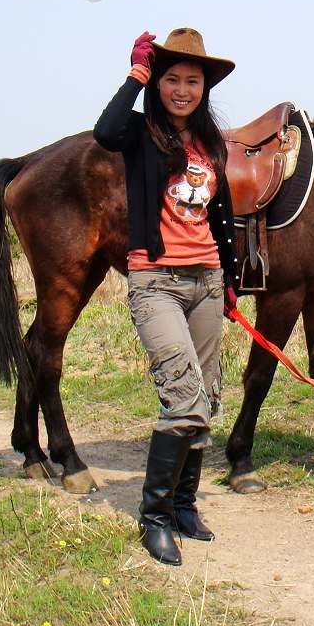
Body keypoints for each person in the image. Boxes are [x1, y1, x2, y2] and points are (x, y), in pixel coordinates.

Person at [93, 28, 240, 566]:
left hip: (205, 281)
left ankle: (183, 504)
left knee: (209, 398)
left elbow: (218, 217)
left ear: (204, 88)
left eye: (192, 81)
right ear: (158, 83)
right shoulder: (139, 132)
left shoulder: (210, 143)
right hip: (155, 281)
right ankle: (153, 517)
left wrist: (226, 283)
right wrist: (136, 73)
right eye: (172, 79)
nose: (182, 90)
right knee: (183, 399)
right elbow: (104, 130)